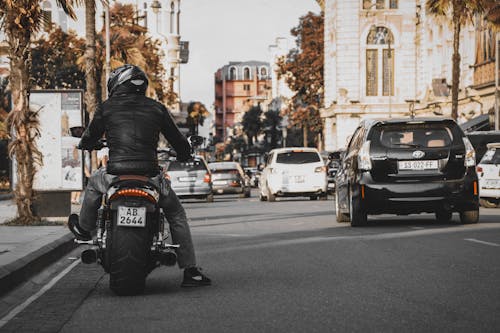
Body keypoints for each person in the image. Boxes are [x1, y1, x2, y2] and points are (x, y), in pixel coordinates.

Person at [68, 64, 211, 287]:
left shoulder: (107, 108)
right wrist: (184, 153)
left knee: (94, 185)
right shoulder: (157, 108)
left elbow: (87, 139)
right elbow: (179, 142)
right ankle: (190, 271)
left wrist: (92, 143)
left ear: (116, 84)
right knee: (176, 214)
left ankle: (85, 229)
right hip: (150, 176)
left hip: (115, 175)